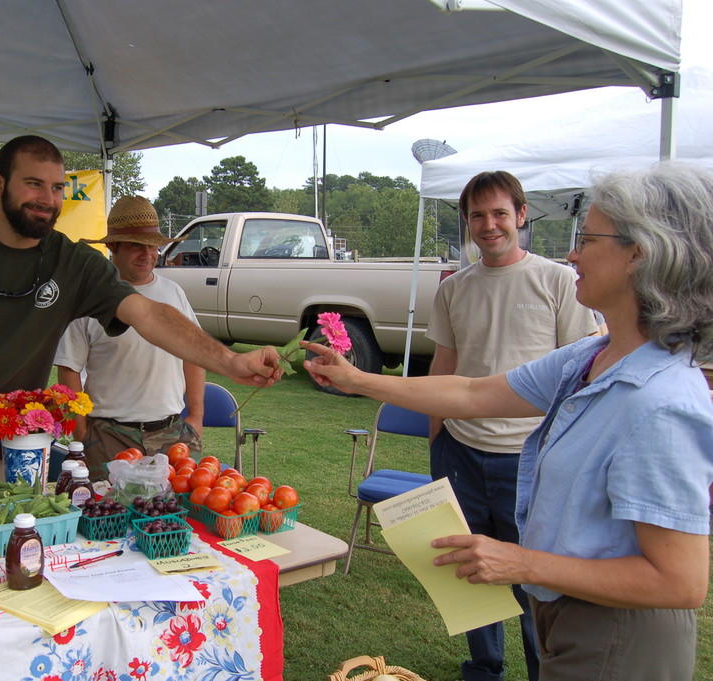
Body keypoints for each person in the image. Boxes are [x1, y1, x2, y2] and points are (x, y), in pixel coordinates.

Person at [304, 162, 713, 681]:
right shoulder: (591, 358)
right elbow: (473, 391)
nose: (572, 252)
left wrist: (521, 564)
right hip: (570, 615)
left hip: (617, 638)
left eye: (587, 238)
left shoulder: (663, 400)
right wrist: (359, 379)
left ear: (642, 252)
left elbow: (679, 582)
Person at [0, 135, 281, 485]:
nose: (47, 199)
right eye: (33, 184)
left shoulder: (74, 264)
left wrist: (229, 361)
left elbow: (149, 314)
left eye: (57, 188)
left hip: (11, 453)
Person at [425, 171, 597, 681]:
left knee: (532, 579)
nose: (489, 225)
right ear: (467, 223)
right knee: (470, 569)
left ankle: (543, 671)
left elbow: (581, 372)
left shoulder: (559, 281)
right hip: (460, 451)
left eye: (499, 213)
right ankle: (484, 669)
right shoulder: (453, 289)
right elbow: (443, 371)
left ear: (521, 215)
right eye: (477, 215)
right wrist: (438, 441)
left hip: (532, 459)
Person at [54, 195, 205, 478]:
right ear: (112, 246)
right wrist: (83, 432)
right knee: (109, 517)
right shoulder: (88, 300)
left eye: (153, 246)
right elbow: (68, 370)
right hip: (110, 437)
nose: (147, 254)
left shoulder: (174, 294)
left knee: (174, 519)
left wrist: (195, 419)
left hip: (172, 435)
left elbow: (194, 357)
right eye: (136, 245)